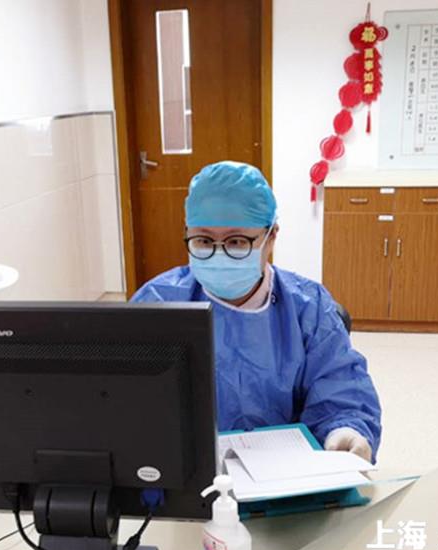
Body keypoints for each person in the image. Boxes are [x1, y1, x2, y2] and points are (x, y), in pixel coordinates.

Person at [131, 161, 382, 462]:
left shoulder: (309, 308)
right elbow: (126, 399)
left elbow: (340, 389)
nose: (219, 253)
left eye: (237, 241)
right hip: (187, 469)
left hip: (286, 471)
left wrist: (345, 431)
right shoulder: (157, 303)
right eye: (204, 241)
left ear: (271, 237)